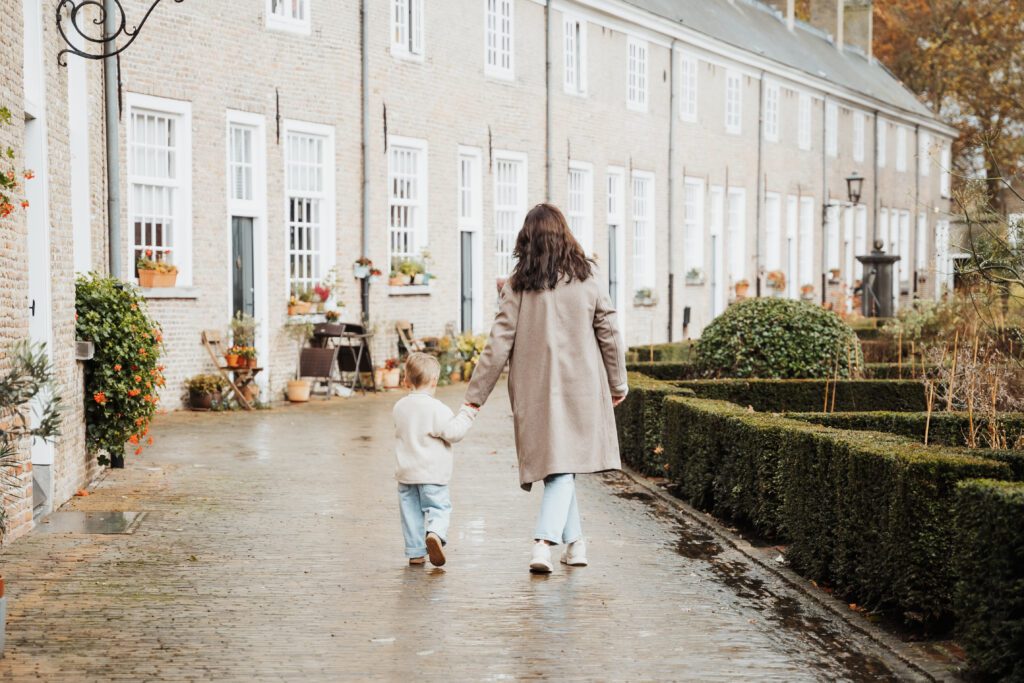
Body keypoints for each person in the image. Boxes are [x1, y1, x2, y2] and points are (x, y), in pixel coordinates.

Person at [464, 203, 628, 574]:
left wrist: (474, 398)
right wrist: (618, 382)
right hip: (581, 389)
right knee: (562, 466)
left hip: (535, 390)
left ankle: (543, 544)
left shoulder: (518, 286)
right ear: (564, 235)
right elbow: (610, 332)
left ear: (528, 240)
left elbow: (498, 344)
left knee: (558, 467)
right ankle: (576, 544)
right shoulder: (588, 280)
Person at [393, 352, 477, 567]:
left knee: (410, 514)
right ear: (434, 381)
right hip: (432, 474)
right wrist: (467, 414)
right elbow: (453, 433)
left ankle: (415, 552)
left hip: (406, 474)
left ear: (406, 380)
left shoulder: (399, 407)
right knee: (439, 508)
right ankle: (435, 534)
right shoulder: (437, 409)